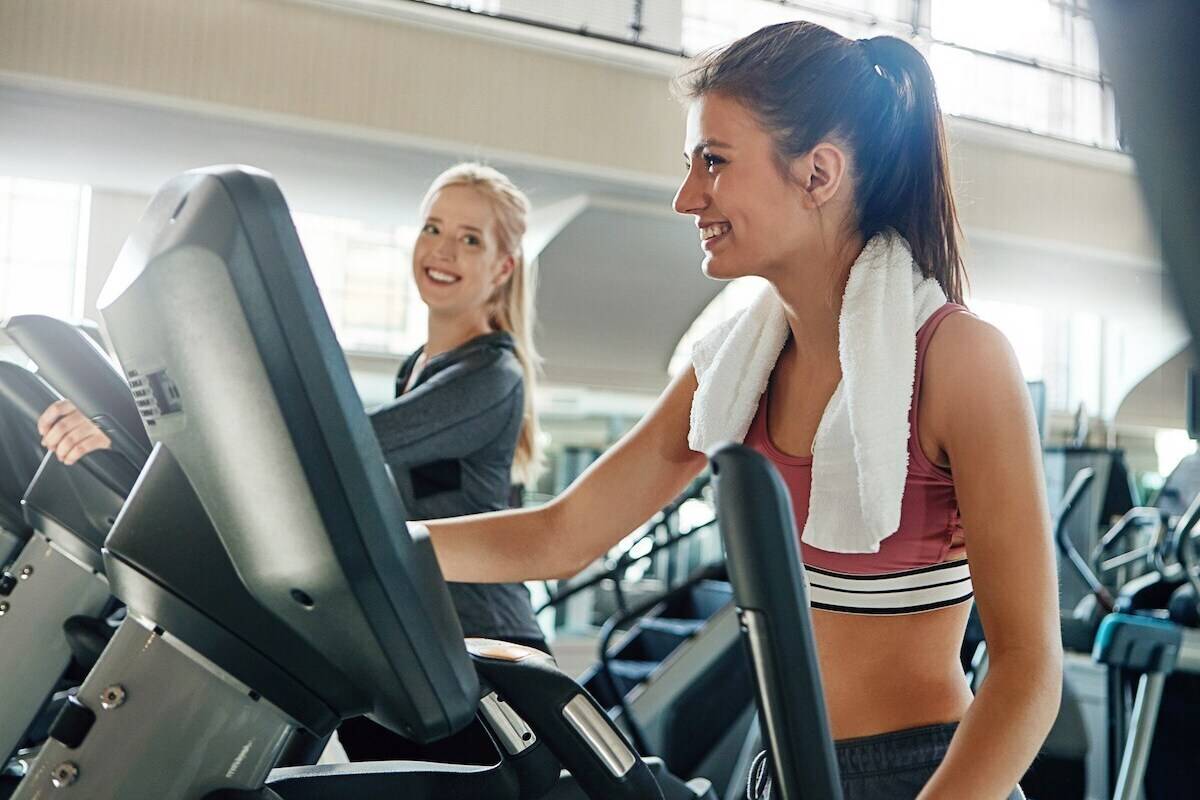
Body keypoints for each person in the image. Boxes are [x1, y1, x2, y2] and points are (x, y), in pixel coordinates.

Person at [423, 23, 1059, 800]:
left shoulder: (959, 361)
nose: (687, 196)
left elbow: (1028, 672)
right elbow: (563, 534)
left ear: (819, 172)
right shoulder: (735, 365)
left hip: (931, 775)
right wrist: (374, 551)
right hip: (777, 771)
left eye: (714, 162)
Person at [37, 162, 549, 761]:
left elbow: (340, 452)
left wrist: (132, 424)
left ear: (503, 267)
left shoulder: (490, 375)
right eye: (433, 228)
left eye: (470, 239)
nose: (443, 250)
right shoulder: (418, 368)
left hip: (483, 646)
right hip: (409, 635)